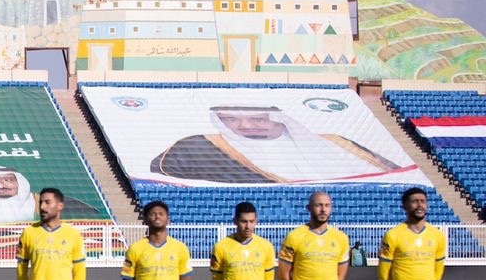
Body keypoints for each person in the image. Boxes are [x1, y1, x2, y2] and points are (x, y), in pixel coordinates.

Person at [150, 105, 402, 184]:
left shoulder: (336, 143)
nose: (247, 127)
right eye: (231, 120)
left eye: (259, 118)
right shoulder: (198, 146)